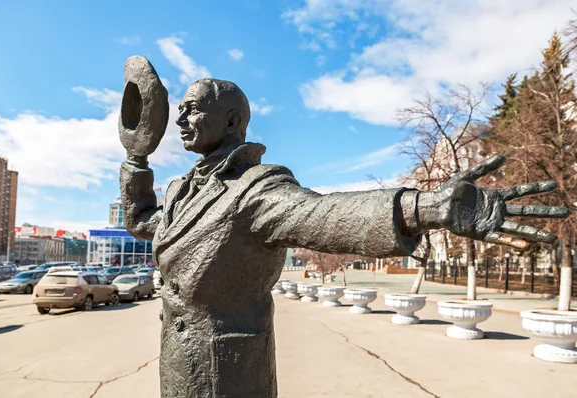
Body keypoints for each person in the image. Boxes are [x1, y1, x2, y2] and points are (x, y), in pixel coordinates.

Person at [119, 58, 567, 398]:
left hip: (229, 367)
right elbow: (143, 222)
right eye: (179, 111)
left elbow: (324, 215)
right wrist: (137, 158)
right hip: (177, 362)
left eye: (192, 110)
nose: (180, 121)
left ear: (233, 121)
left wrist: (425, 207)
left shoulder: (256, 187)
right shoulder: (180, 188)